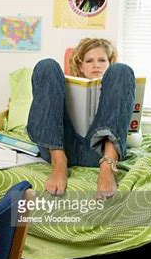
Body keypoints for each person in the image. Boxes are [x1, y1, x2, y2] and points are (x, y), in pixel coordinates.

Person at [26, 38, 135, 199]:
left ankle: (107, 167)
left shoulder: (116, 76)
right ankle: (59, 162)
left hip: (100, 150)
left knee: (122, 70)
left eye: (102, 60)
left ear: (109, 62)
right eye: (89, 61)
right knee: (46, 66)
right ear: (80, 66)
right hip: (62, 146)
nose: (96, 65)